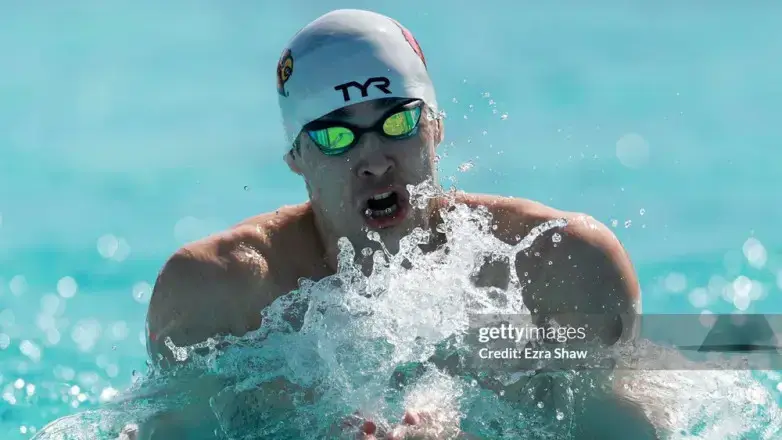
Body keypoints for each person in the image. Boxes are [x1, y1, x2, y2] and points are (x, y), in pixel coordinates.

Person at [141, 8, 646, 439]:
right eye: (335, 137)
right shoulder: (217, 294)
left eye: (398, 121)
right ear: (295, 156)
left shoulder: (558, 265)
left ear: (437, 126)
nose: (375, 160)